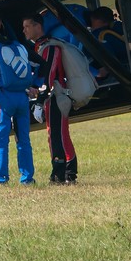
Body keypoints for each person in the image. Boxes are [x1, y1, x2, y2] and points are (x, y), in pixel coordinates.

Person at [0, 23, 41, 185]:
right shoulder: (20, 48)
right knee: (23, 139)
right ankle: (27, 178)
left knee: (0, 140)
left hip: (3, 100)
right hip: (22, 99)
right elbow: (41, 63)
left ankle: (0, 178)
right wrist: (36, 85)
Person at [23, 14, 77, 184]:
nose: (24, 30)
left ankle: (60, 174)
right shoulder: (39, 46)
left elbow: (49, 75)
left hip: (56, 96)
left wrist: (40, 100)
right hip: (50, 96)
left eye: (27, 26)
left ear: (37, 26)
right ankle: (68, 172)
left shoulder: (50, 47)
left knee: (57, 135)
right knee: (57, 134)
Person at [89, 5, 127, 83]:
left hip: (117, 76)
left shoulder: (100, 36)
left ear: (94, 19)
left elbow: (111, 63)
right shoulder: (116, 31)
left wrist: (98, 72)